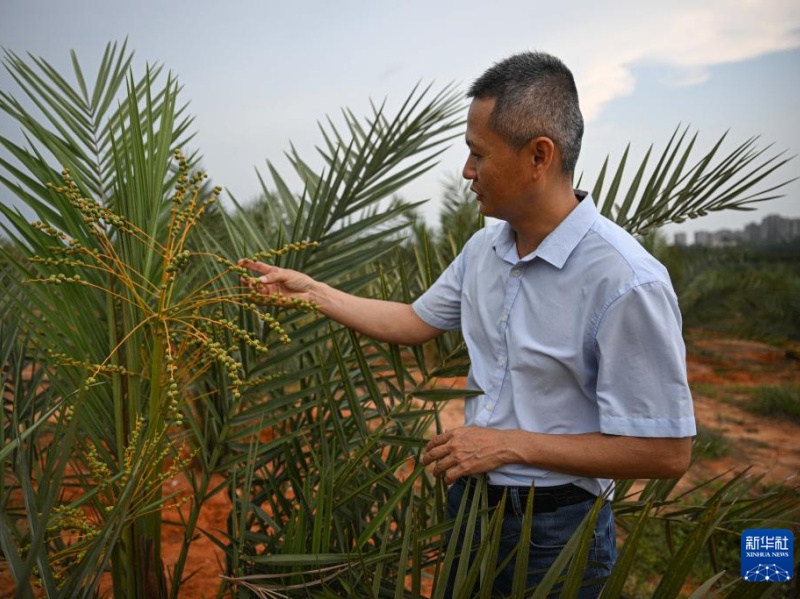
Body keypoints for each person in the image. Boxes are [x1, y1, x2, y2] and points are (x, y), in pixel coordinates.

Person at [241, 51, 696, 597]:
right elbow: (414, 321)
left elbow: (666, 452)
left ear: (539, 156)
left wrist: (507, 445)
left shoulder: (626, 280)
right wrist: (313, 292)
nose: (466, 171)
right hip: (471, 504)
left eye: (477, 154)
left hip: (555, 529)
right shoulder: (484, 249)